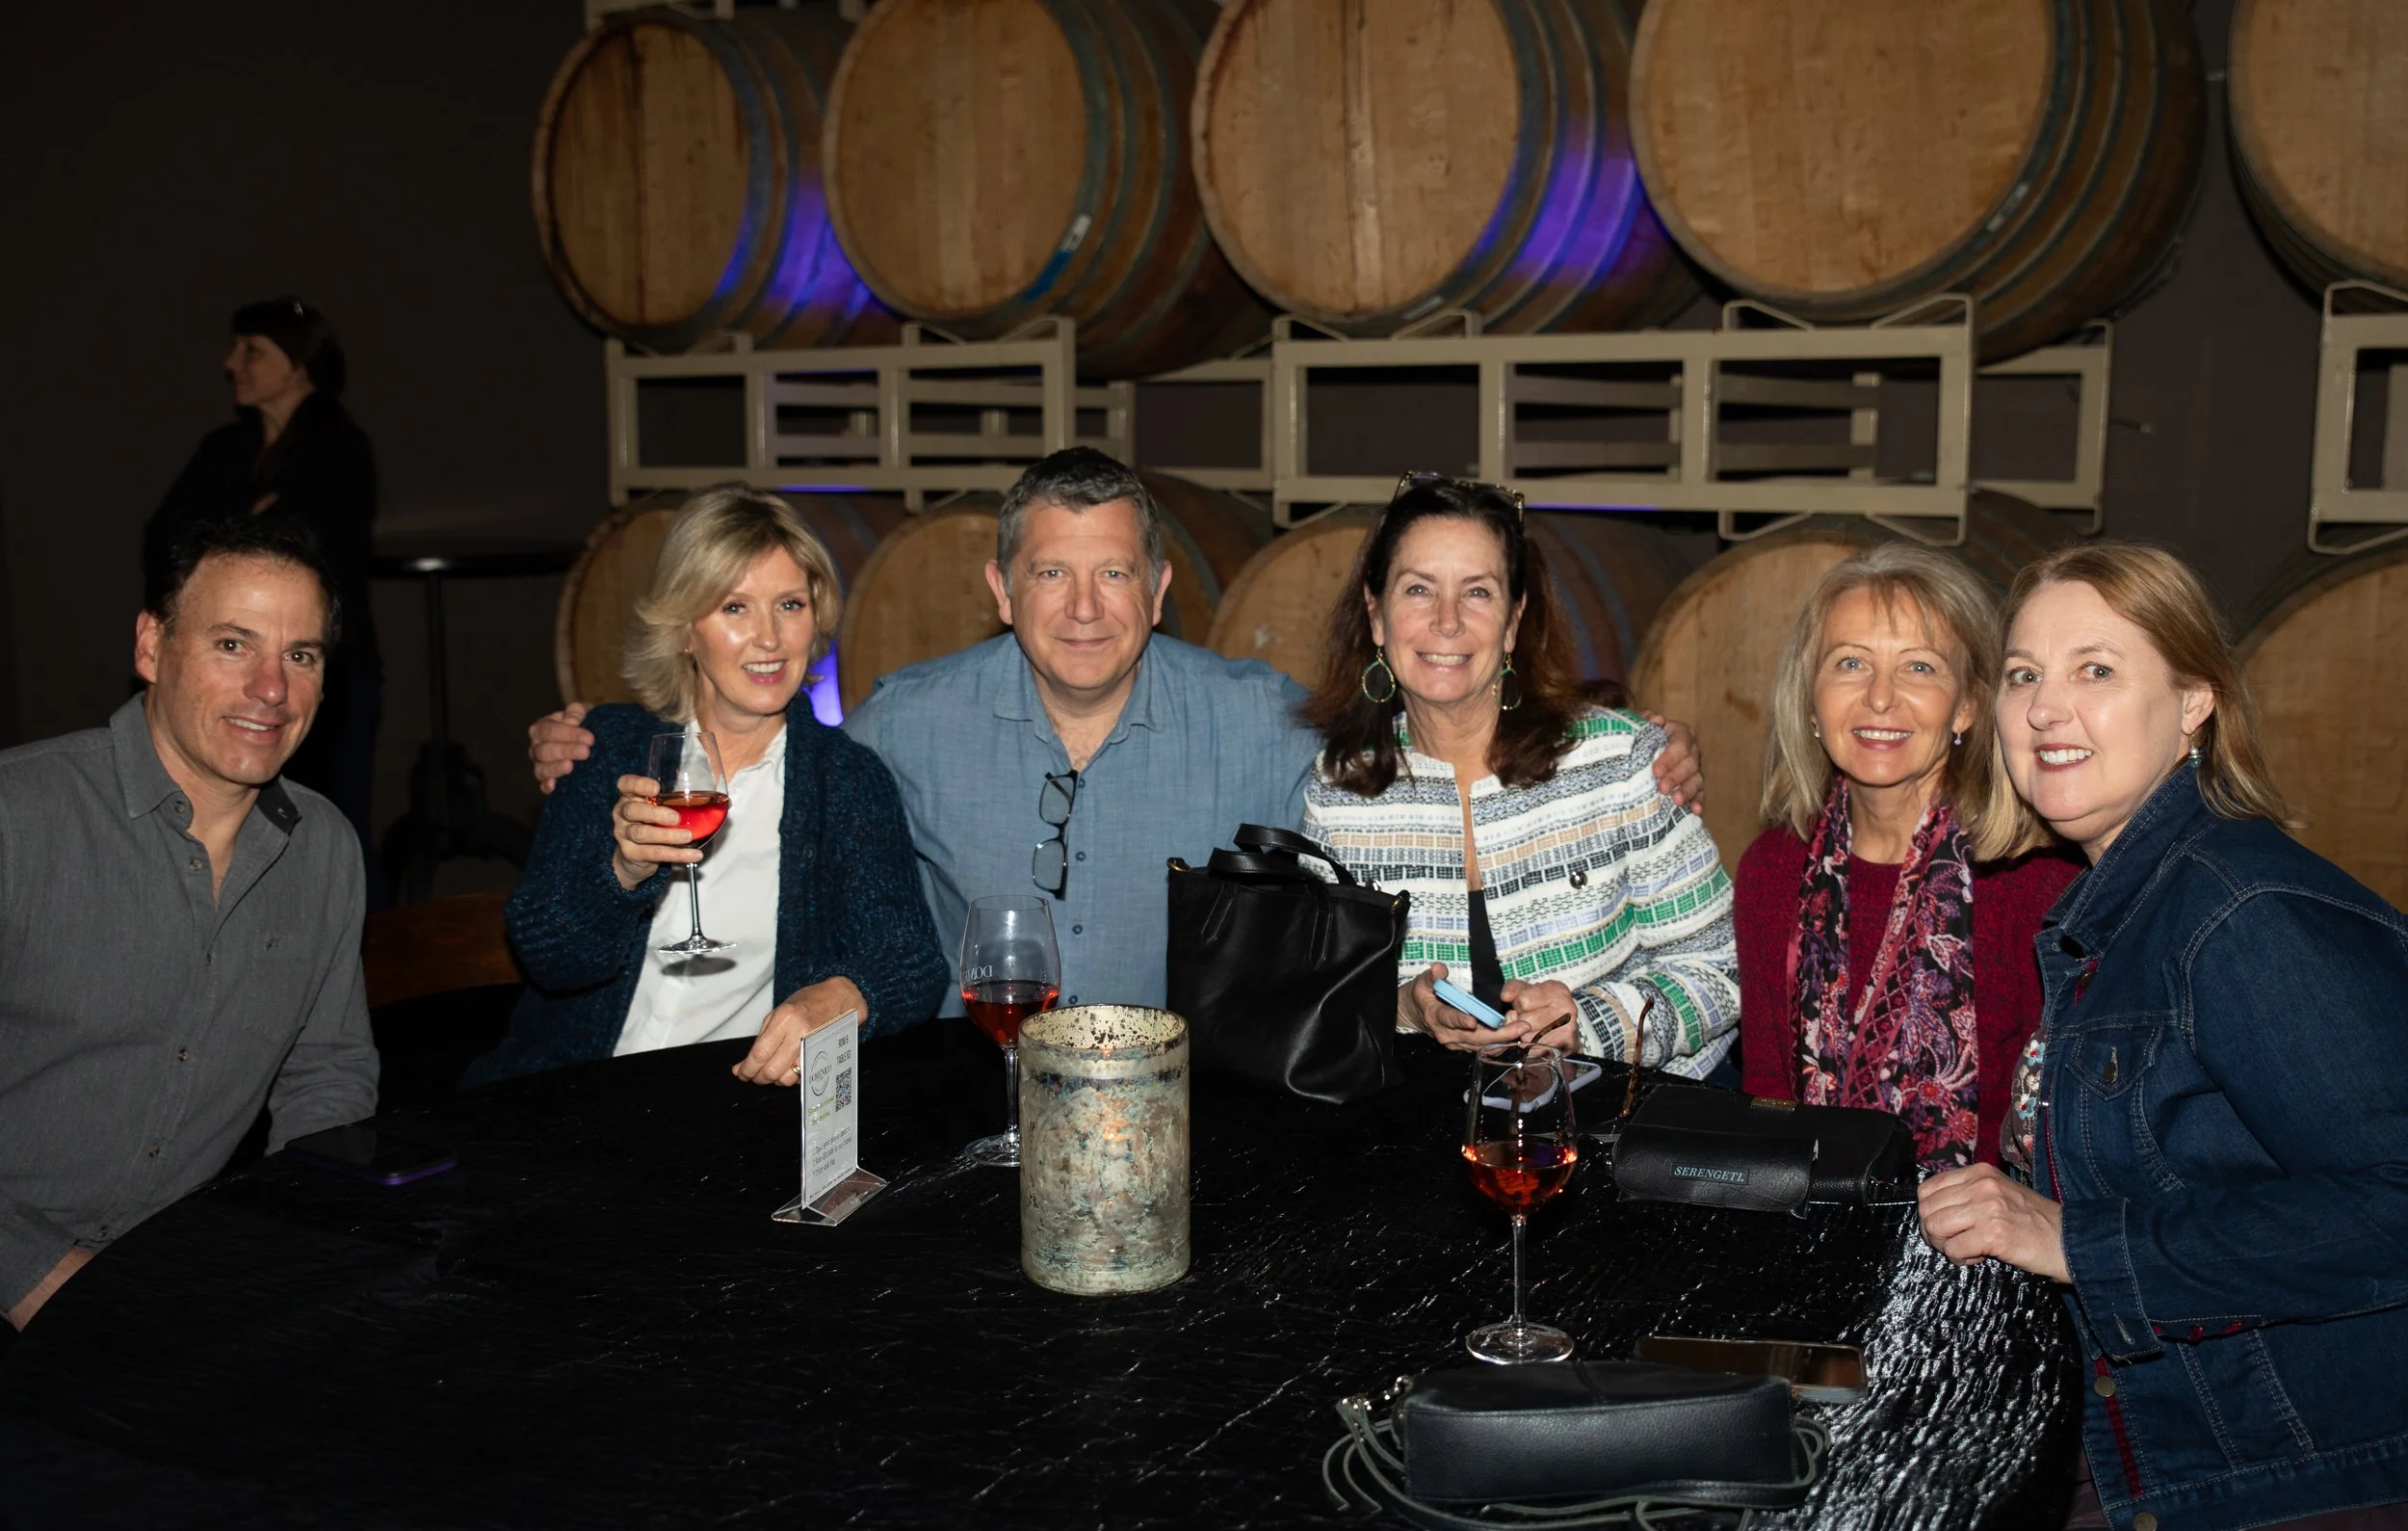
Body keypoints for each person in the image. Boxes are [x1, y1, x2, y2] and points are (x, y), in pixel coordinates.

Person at [527, 450, 1705, 1012]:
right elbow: (770, 755)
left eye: (1112, 577)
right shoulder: (900, 724)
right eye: (1051, 573)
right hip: (960, 1108)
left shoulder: (1262, 723)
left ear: (1157, 592)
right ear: (1000, 588)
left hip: (1187, 1116)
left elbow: (1419, 744)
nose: (1083, 609)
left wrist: (1628, 748)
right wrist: (607, 737)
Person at [1915, 543, 2408, 1531]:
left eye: (2096, 669)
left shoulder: (2240, 912)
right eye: (2022, 672)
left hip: (2288, 1486)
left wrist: (2067, 1237)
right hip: (2170, 1432)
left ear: (2193, 703)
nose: (2047, 706)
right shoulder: (2118, 904)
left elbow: (2395, 1203)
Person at [0, 516, 380, 1332]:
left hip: (175, 1288)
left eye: (301, 656)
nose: (271, 690)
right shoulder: (18, 819)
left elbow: (328, 1074)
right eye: (234, 645)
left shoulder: (325, 851)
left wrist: (303, 1242)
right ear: (150, 645)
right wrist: (59, 1287)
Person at [473, 488, 946, 1086]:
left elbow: (910, 959)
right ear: (682, 631)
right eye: (734, 608)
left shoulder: (845, 780)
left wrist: (849, 994)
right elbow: (550, 958)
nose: (769, 638)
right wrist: (622, 873)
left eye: (790, 605)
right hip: (570, 1094)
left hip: (723, 1110)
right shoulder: (605, 748)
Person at [1298, 474, 1739, 1072]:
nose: (1447, 621)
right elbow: (1320, 1000)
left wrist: (1590, 1023)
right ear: (1377, 617)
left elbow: (1722, 969)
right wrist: (1406, 1010)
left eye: (1477, 592)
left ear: (1512, 621)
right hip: (1439, 1131)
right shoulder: (1341, 791)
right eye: (1418, 589)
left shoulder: (1616, 762)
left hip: (1625, 1123)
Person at [1734, 544, 2079, 1170]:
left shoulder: (2035, 884)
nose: (1881, 698)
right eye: (1849, 663)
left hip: (1975, 1245)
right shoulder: (1773, 868)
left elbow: (2052, 1136)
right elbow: (1767, 1100)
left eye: (1919, 667)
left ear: (1969, 706)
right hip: (1806, 1223)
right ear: (1811, 700)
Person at [144, 298, 382, 882]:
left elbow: (308, 563)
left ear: (300, 365)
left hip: (333, 680)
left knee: (322, 829)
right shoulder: (226, 450)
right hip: (247, 668)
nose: (232, 362)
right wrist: (252, 519)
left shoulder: (338, 451)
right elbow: (162, 541)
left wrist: (235, 526)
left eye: (252, 349)